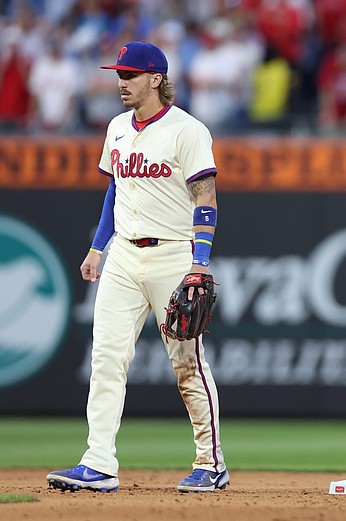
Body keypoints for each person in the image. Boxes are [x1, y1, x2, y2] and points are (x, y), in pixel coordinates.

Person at [46, 41, 228, 493]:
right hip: (124, 255)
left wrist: (199, 265)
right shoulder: (116, 128)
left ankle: (211, 463)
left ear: (155, 79)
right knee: (106, 358)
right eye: (118, 74)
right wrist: (97, 247)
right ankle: (99, 463)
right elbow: (115, 191)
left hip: (173, 255)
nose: (120, 82)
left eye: (129, 75)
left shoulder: (187, 130)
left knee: (188, 365)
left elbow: (205, 197)